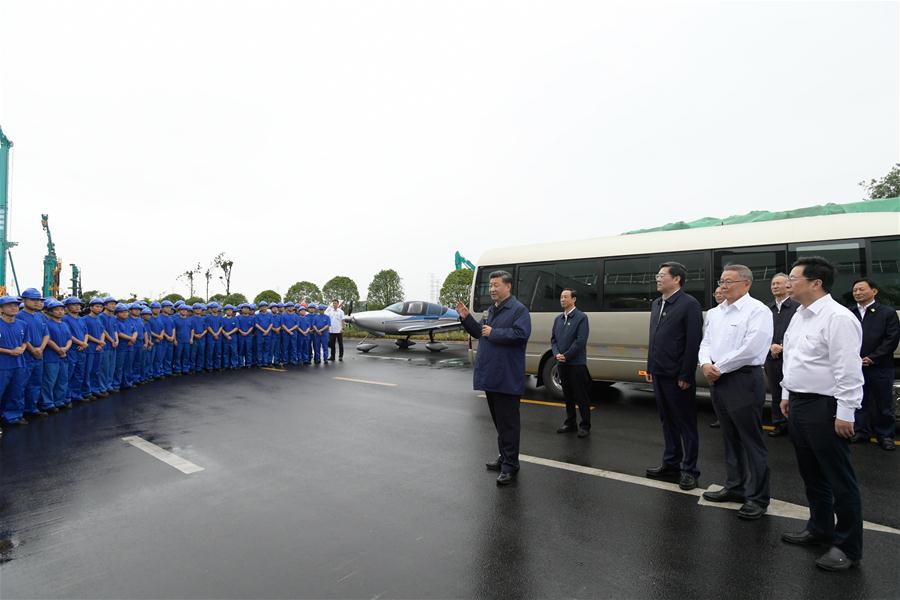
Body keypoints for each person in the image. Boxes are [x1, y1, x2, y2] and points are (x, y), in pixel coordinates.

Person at [779, 256, 865, 571]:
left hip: (825, 405)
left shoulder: (838, 318)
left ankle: (847, 546)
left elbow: (848, 369)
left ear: (816, 282)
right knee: (812, 473)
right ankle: (819, 527)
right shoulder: (800, 315)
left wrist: (846, 412)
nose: (789, 282)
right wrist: (787, 394)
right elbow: (793, 359)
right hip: (800, 402)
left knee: (839, 478)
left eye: (793, 277)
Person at [698, 264, 773, 520]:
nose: (723, 285)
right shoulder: (716, 312)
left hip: (742, 379)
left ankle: (758, 497)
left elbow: (752, 348)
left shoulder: (758, 311)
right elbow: (705, 342)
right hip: (718, 379)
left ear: (746, 284)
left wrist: (719, 367)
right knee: (729, 437)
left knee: (751, 439)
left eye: (729, 281)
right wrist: (706, 363)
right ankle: (735, 486)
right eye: (722, 281)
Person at [457, 270, 532, 486]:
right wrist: (466, 318)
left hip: (507, 376)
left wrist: (494, 333)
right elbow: (481, 332)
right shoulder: (491, 310)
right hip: (491, 375)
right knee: (500, 423)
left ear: (508, 287)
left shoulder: (519, 310)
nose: (491, 289)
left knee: (509, 424)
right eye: (490, 286)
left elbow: (521, 335)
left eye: (496, 285)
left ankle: (511, 466)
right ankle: (504, 457)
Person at [645, 262, 703, 490]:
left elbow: (693, 342)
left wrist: (686, 373)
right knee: (667, 420)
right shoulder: (656, 303)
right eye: (657, 275)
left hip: (678, 375)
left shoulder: (689, 304)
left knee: (685, 423)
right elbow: (654, 338)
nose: (657, 279)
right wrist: (650, 367)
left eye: (662, 275)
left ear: (676, 279)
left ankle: (690, 470)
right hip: (659, 372)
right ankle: (671, 463)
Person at [849, 278, 899, 450]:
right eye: (855, 290)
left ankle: (885, 435)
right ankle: (861, 431)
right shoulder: (850, 312)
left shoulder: (886, 312)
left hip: (880, 366)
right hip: (856, 365)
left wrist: (873, 357)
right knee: (859, 401)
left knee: (883, 403)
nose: (857, 293)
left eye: (861, 289)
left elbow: (891, 339)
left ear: (874, 291)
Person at [552, 288, 592, 438]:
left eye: (566, 297)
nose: (562, 299)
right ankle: (570, 422)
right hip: (562, 363)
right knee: (567, 395)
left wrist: (567, 356)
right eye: (561, 297)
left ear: (574, 299)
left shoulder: (581, 317)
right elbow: (553, 340)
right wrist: (557, 354)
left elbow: (580, 341)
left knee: (581, 396)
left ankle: (585, 425)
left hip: (576, 363)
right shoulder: (558, 319)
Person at [764, 273, 799, 437]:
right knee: (776, 392)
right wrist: (770, 346)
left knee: (793, 391)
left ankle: (794, 424)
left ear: (788, 285)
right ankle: (778, 422)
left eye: (778, 283)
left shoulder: (797, 308)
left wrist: (783, 347)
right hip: (771, 358)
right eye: (772, 284)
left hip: (792, 358)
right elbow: (761, 332)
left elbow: (800, 333)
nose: (775, 286)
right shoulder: (766, 309)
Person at [18, 288, 51, 418]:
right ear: (24, 300)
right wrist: (33, 350)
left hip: (39, 354)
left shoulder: (40, 316)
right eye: (33, 299)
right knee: (21, 384)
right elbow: (22, 338)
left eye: (38, 299)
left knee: (36, 383)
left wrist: (41, 349)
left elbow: (46, 334)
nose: (37, 302)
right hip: (26, 355)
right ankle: (19, 412)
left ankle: (32, 408)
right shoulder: (19, 316)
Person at [0, 295, 29, 427]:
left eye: (16, 305)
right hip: (3, 364)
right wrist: (10, 351)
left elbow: (25, 342)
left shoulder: (22, 324)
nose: (14, 307)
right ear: (1, 309)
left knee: (17, 391)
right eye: (9, 305)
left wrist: (22, 349)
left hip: (19, 364)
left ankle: (13, 416)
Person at [42, 299, 73, 411]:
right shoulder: (47, 324)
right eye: (56, 310)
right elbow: (47, 339)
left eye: (61, 309)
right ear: (50, 311)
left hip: (64, 355)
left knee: (63, 379)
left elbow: (69, 338)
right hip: (51, 356)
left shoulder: (65, 324)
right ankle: (48, 403)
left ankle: (59, 401)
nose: (60, 312)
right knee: (50, 381)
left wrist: (65, 349)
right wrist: (58, 349)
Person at [709, 286, 726, 430]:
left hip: (726, 360)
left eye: (721, 293)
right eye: (716, 293)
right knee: (714, 391)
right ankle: (720, 417)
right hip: (713, 359)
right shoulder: (712, 313)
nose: (718, 295)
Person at [83, 298, 108, 395]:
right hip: (90, 348)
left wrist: (101, 342)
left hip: (99, 348)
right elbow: (86, 334)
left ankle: (95, 389)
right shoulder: (84, 319)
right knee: (88, 371)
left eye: (101, 307)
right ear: (91, 307)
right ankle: (87, 391)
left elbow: (102, 331)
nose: (99, 309)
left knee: (96, 370)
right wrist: (99, 342)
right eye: (97, 306)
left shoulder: (99, 319)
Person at [112, 303, 138, 390]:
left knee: (128, 366)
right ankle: (116, 385)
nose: (125, 314)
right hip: (121, 347)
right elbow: (119, 333)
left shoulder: (129, 321)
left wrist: (133, 338)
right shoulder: (115, 321)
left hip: (130, 347)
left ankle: (127, 383)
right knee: (119, 367)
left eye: (126, 312)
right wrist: (131, 339)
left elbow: (135, 331)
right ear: (117, 313)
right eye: (122, 312)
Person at [172, 304, 193, 375]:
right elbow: (174, 330)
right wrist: (174, 339)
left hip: (187, 341)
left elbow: (192, 330)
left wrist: (191, 338)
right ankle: (177, 369)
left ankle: (185, 369)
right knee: (178, 356)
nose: (184, 311)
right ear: (179, 311)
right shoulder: (175, 320)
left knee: (186, 355)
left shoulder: (189, 320)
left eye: (186, 310)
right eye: (182, 310)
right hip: (179, 341)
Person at [190, 303, 208, 372]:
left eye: (199, 309)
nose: (198, 310)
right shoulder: (191, 319)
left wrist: (202, 335)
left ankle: (199, 367)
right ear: (193, 310)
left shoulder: (203, 319)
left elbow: (206, 329)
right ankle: (192, 368)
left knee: (201, 354)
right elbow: (190, 329)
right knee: (193, 354)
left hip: (202, 338)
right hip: (194, 338)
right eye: (196, 309)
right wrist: (195, 335)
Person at [255, 301, 274, 366]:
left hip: (268, 334)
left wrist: (267, 331)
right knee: (259, 349)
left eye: (265, 306)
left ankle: (265, 362)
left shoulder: (270, 315)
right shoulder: (257, 316)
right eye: (262, 306)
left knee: (267, 349)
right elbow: (256, 324)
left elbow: (271, 324)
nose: (264, 308)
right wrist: (264, 331)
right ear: (260, 308)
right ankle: (259, 362)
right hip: (260, 334)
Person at [221, 304, 239, 369]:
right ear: (225, 311)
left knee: (234, 352)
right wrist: (226, 334)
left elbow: (237, 328)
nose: (229, 311)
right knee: (226, 352)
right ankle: (226, 365)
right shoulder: (223, 319)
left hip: (233, 338)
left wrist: (228, 333)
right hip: (225, 338)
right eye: (227, 310)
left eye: (230, 310)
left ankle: (234, 364)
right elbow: (221, 328)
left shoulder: (235, 319)